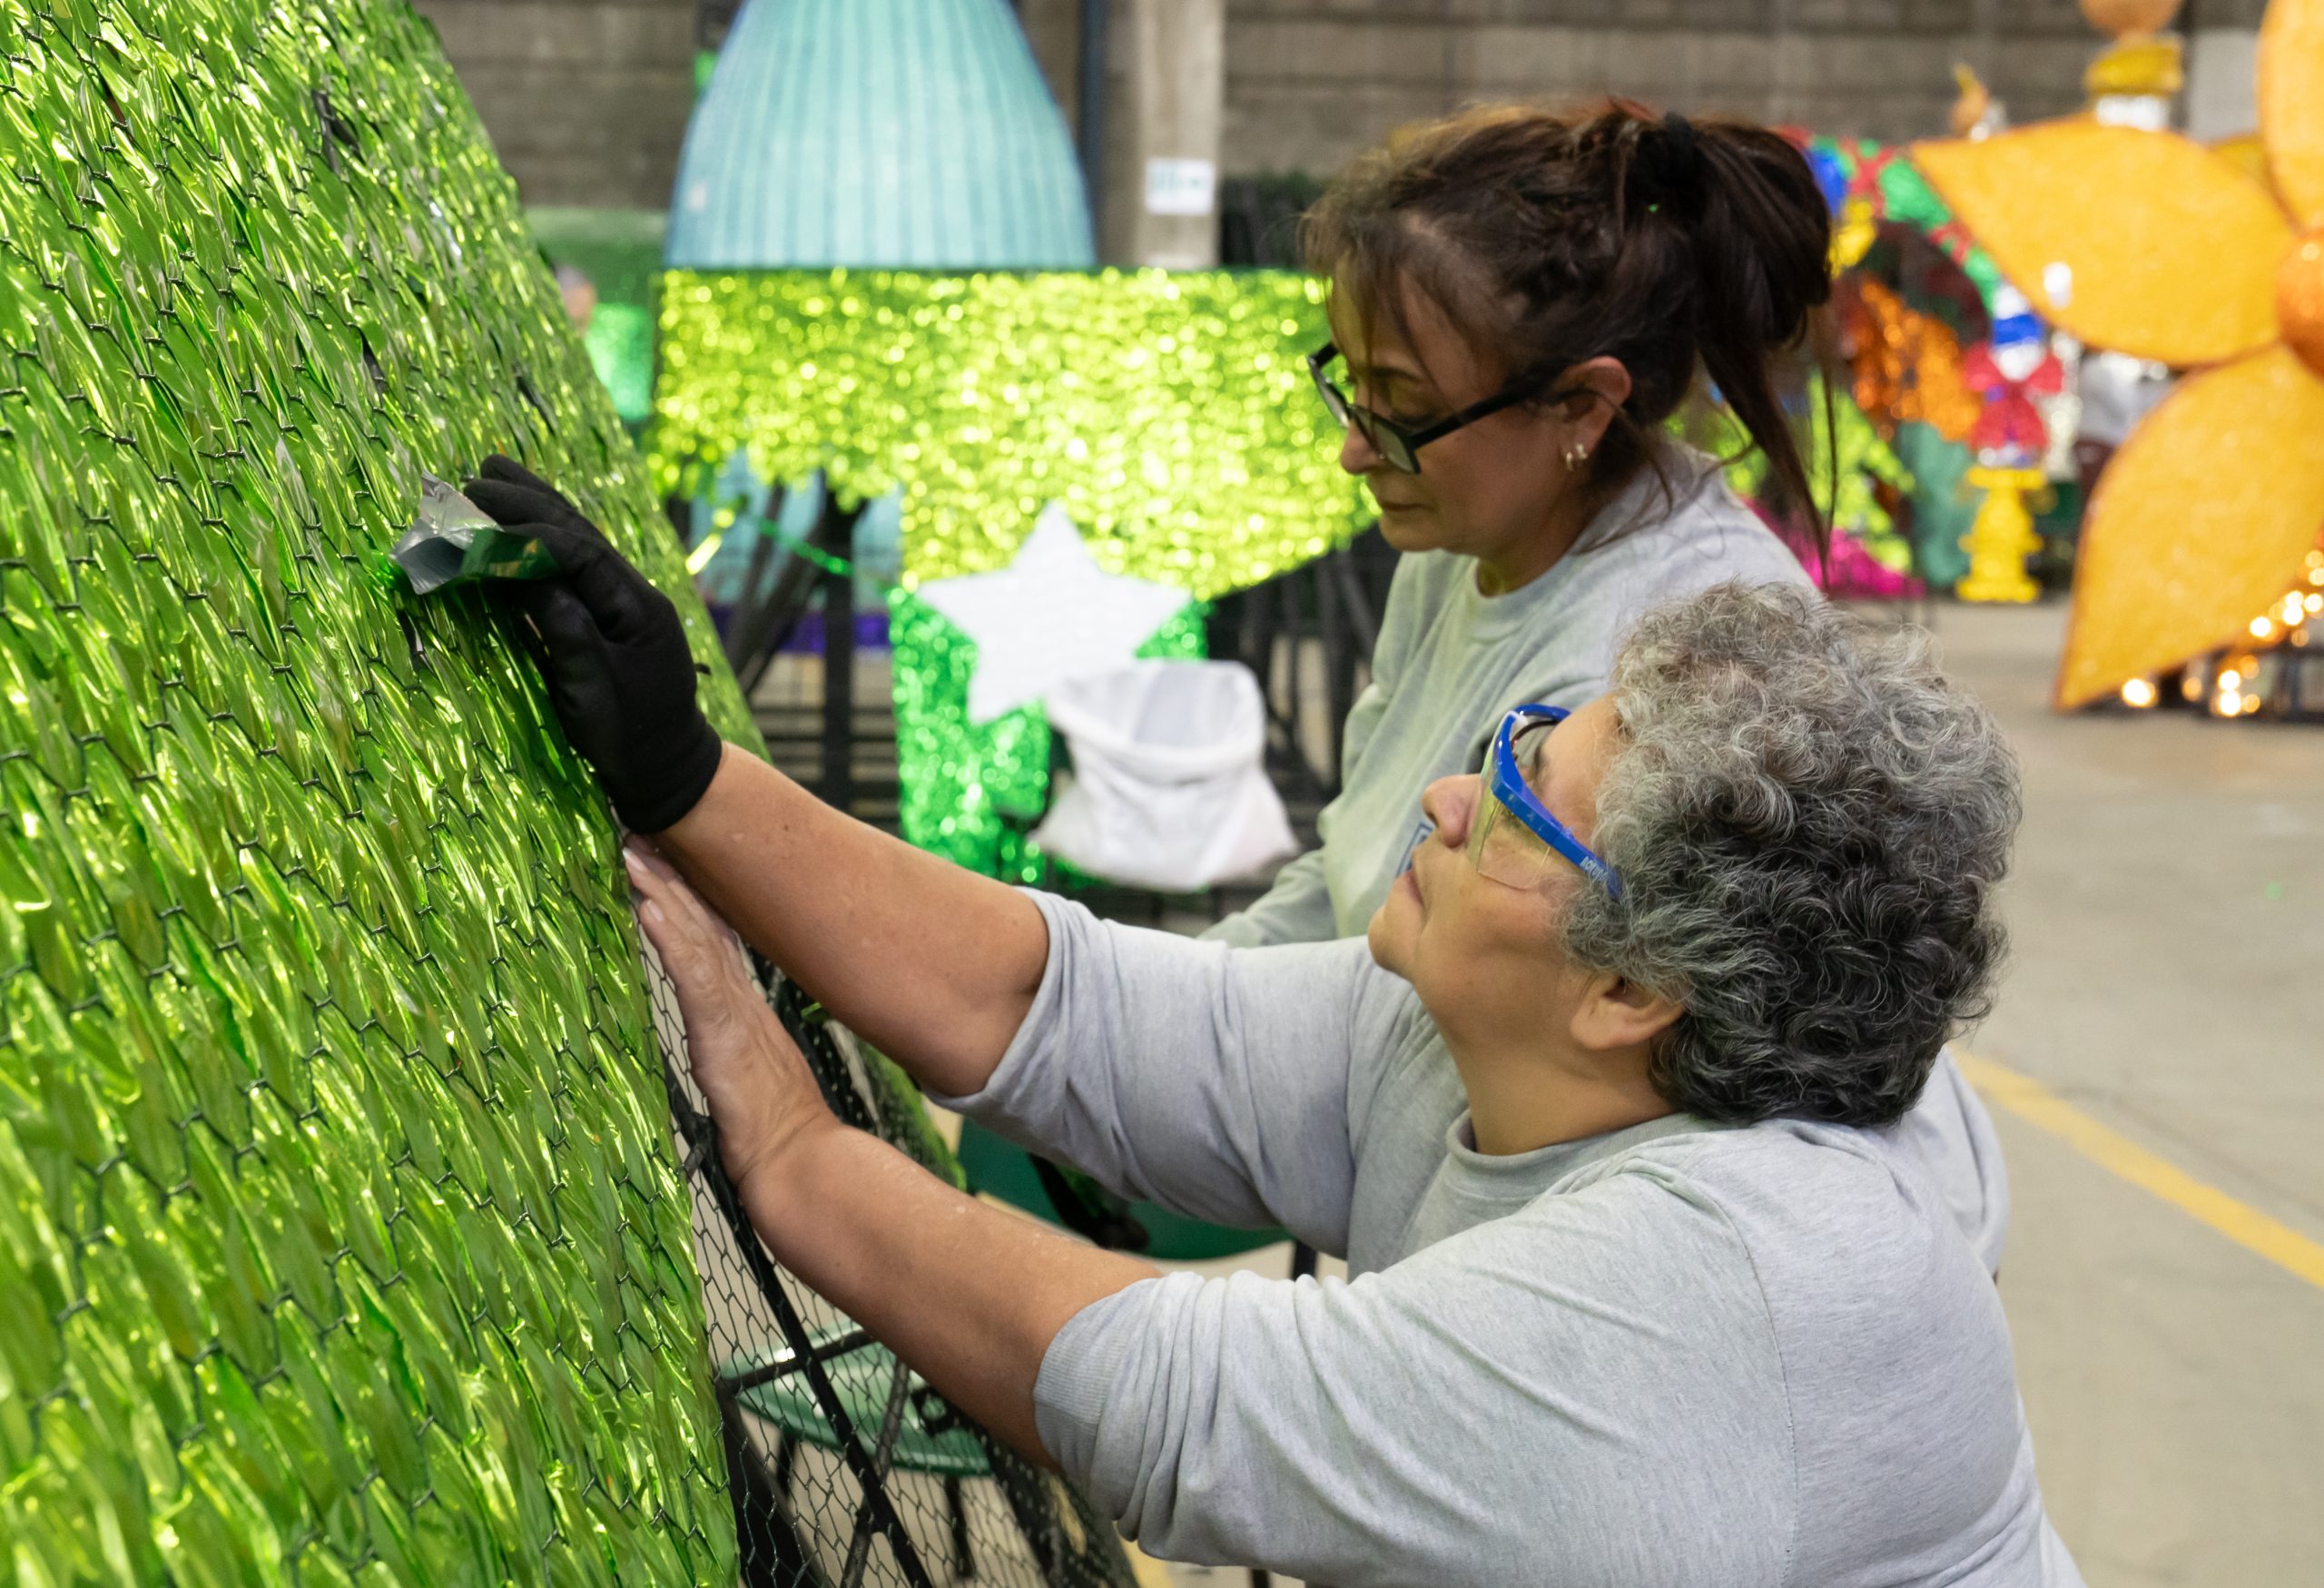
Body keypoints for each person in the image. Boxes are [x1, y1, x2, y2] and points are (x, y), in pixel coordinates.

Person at [460, 453, 2080, 1584]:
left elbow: (1175, 1401)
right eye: (1516, 734)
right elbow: (1064, 1006)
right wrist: (684, 772)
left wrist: (798, 1145)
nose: (1447, 796)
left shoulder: (1724, 1294)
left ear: (1629, 988)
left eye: (1522, 794)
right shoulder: (1491, 1038)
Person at [1204, 99, 2011, 1268]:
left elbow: (1479, 1048)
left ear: (1583, 404)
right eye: (1351, 383)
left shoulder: (1671, 663)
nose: (1354, 447)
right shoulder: (1469, 541)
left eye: (1408, 410)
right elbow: (1348, 886)